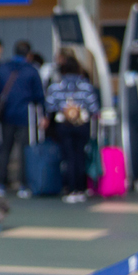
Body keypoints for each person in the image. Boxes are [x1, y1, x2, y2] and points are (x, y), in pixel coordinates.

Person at [0, 40, 46, 198]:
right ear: (29, 54)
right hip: (25, 117)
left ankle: (0, 183)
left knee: (4, 150)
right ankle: (23, 184)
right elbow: (39, 96)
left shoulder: (1, 69)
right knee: (24, 151)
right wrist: (43, 115)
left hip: (5, 116)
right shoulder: (32, 71)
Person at [44, 55, 101, 203]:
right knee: (80, 155)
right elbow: (94, 108)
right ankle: (81, 188)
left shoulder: (56, 86)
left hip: (64, 125)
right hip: (82, 125)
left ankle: (70, 189)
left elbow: (50, 106)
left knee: (68, 157)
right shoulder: (86, 86)